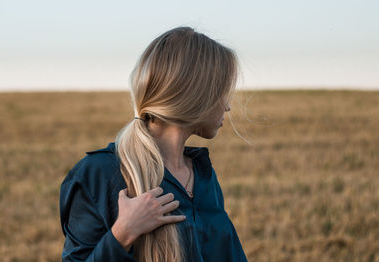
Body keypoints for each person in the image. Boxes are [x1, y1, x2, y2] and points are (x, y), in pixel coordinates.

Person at [59, 26, 248, 262]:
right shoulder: (98, 174)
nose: (227, 106)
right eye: (222, 91)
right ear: (197, 95)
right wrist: (122, 234)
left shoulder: (203, 176)